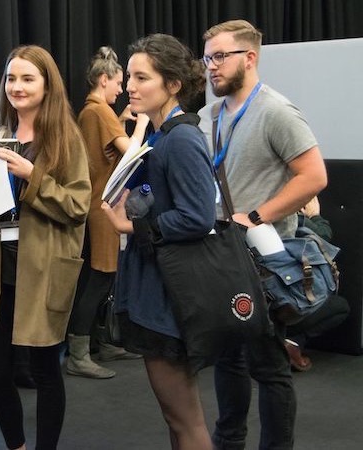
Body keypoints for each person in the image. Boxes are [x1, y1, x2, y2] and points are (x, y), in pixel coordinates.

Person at [197, 20, 328, 449]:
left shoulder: (275, 111)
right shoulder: (212, 114)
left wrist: (255, 215)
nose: (211, 67)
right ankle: (228, 442)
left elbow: (314, 176)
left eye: (220, 56)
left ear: (249, 58)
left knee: (269, 366)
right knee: (229, 360)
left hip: (265, 262)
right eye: (207, 58)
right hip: (223, 257)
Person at [0, 45, 91, 450]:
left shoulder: (66, 137)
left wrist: (31, 175)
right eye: (10, 78)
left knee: (45, 369)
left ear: (47, 84)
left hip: (43, 268)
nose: (16, 87)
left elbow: (77, 206)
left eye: (26, 78)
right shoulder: (2, 132)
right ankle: (16, 445)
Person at [101, 34, 215, 449]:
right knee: (177, 416)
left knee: (184, 418)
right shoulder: (162, 136)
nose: (130, 85)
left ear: (173, 84)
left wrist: (132, 227)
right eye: (129, 76)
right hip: (156, 284)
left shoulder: (181, 139)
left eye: (141, 77)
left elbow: (198, 217)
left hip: (171, 292)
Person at [68, 46, 149, 379]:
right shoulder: (97, 112)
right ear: (104, 80)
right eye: (118, 82)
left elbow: (100, 154)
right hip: (102, 206)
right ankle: (79, 353)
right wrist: (141, 121)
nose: (123, 89)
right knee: (99, 279)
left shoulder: (95, 112)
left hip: (99, 204)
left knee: (103, 278)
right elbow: (130, 153)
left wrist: (119, 120)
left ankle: (101, 344)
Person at [285, 197, 349, 371]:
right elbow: (324, 234)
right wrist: (315, 216)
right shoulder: (292, 217)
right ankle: (293, 342)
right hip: (290, 300)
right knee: (340, 306)